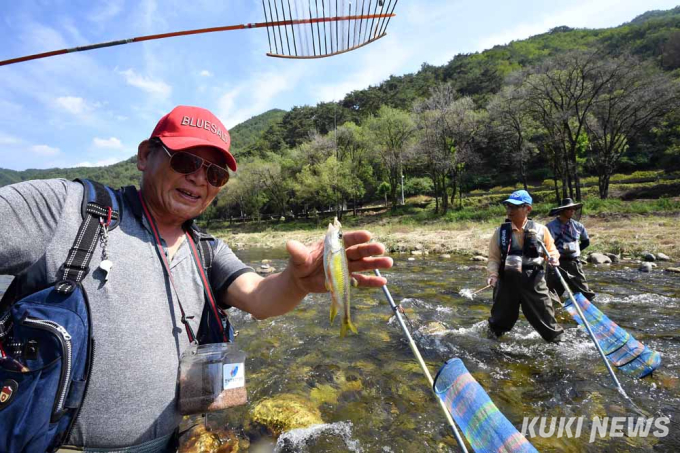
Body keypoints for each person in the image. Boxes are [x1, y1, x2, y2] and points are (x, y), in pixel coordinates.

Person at [0, 105, 393, 452]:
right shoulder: (64, 209)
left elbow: (258, 296)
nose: (199, 179)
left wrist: (299, 282)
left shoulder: (207, 250)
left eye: (216, 173)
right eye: (186, 161)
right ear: (144, 156)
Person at [486, 190, 564, 343]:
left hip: (534, 280)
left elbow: (552, 251)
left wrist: (554, 258)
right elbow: (493, 258)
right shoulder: (500, 232)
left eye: (514, 207)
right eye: (508, 206)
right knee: (499, 321)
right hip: (506, 281)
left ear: (528, 209)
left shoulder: (542, 230)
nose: (509, 211)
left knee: (546, 317)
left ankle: (557, 342)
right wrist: (493, 275)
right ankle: (493, 345)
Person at [546, 198, 596, 301]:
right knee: (552, 294)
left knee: (585, 293)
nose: (572, 211)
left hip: (573, 264)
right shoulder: (550, 226)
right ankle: (556, 313)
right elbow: (546, 244)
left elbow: (586, 242)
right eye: (569, 209)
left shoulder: (578, 226)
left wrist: (576, 252)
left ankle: (587, 312)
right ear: (562, 211)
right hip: (556, 264)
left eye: (573, 209)